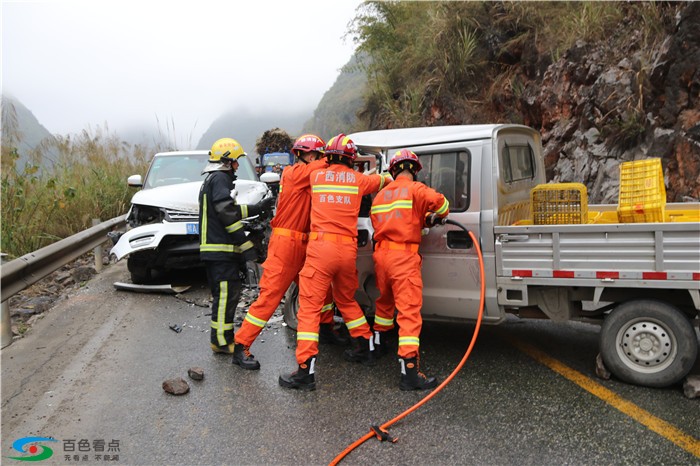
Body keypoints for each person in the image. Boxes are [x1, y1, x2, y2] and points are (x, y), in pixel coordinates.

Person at [279, 133, 392, 391]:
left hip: (321, 249)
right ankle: (364, 344)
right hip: (347, 250)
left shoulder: (315, 176)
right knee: (346, 300)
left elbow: (298, 178)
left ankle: (305, 371)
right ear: (351, 159)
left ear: (328, 156)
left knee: (309, 308)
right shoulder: (358, 180)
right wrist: (389, 175)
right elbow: (382, 180)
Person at [232, 134, 345, 370]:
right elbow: (319, 168)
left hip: (305, 243)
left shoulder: (311, 175)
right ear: (303, 155)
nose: (318, 159)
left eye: (319, 155)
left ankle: (325, 329)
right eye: (315, 155)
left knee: (319, 292)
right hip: (286, 244)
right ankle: (241, 345)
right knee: (270, 297)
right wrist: (336, 159)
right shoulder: (294, 173)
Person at [370, 149, 449, 390]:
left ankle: (379, 344)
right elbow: (442, 203)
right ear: (414, 170)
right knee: (408, 313)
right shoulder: (416, 189)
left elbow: (395, 219)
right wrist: (437, 216)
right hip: (403, 256)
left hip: (382, 255)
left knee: (385, 302)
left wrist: (423, 219)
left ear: (393, 171)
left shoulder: (381, 196)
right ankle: (410, 372)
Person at [199, 137, 274, 355]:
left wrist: (255, 208)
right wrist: (245, 243)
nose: (237, 166)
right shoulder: (220, 178)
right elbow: (225, 213)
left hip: (217, 253)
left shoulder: (213, 180)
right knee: (224, 297)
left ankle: (223, 338)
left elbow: (228, 209)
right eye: (235, 161)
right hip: (219, 252)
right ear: (226, 161)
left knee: (227, 296)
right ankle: (221, 342)